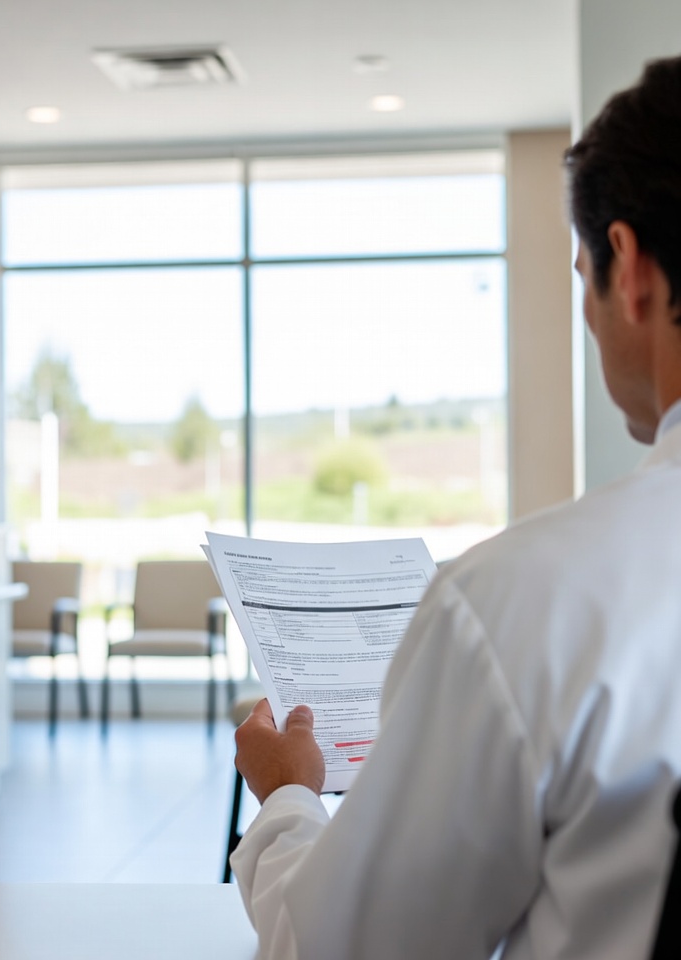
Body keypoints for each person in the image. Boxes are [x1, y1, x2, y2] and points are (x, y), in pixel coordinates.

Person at [231, 55, 681, 960]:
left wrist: (288, 799)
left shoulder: (524, 605)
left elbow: (347, 949)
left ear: (626, 268)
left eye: (581, 274)